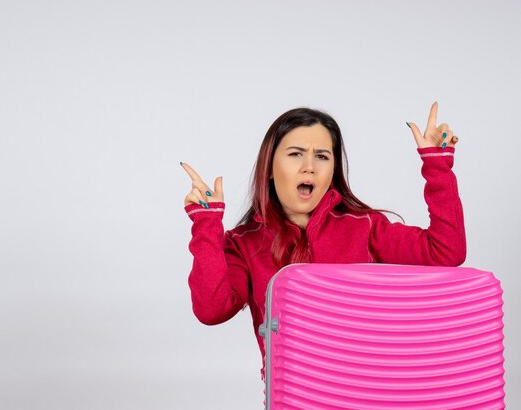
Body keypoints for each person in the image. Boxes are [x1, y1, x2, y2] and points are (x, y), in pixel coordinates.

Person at [180, 102, 465, 377]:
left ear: (333, 170)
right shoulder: (244, 243)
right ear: (268, 167)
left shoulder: (365, 227)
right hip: (293, 395)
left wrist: (437, 168)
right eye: (295, 154)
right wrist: (207, 225)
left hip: (367, 390)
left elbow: (445, 251)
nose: (309, 167)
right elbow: (211, 310)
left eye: (322, 156)